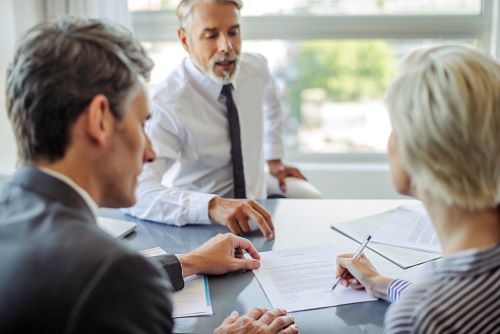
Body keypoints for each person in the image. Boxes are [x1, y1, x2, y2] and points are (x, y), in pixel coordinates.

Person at [0, 16, 298, 334]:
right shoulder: (116, 276)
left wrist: (190, 262)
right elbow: (109, 281)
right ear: (100, 120)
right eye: (142, 123)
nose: (150, 151)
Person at [335, 45, 500, 333]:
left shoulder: (419, 319)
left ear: (421, 152)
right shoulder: (437, 304)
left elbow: (437, 311)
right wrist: (380, 284)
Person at [126, 0, 319, 239]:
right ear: (185, 40)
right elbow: (137, 192)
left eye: (233, 32)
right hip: (199, 232)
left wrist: (275, 158)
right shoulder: (167, 104)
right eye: (211, 35)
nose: (226, 47)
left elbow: (272, 106)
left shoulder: (256, 69)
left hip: (260, 226)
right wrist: (212, 206)